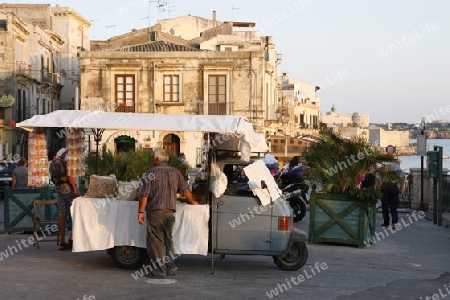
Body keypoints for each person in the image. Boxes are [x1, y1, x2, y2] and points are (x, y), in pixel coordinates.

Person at [138, 148, 198, 279]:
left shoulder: (151, 172)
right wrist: (194, 202)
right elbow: (185, 190)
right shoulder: (175, 172)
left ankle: (160, 271)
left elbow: (144, 195)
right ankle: (171, 268)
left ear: (157, 159)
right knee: (168, 240)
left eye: (153, 158)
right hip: (170, 212)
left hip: (156, 212)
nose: (152, 160)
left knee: (157, 242)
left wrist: (140, 211)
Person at [51, 148, 79, 250]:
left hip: (58, 186)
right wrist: (75, 187)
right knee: (79, 210)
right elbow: (69, 173)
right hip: (67, 186)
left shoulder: (61, 151)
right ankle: (72, 238)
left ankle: (62, 243)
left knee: (62, 214)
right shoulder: (69, 155)